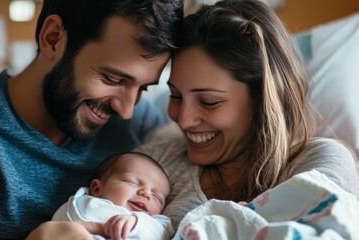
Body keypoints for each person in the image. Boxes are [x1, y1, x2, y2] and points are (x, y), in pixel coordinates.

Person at [0, 0, 183, 239]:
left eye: (143, 89)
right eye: (113, 79)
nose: (127, 110)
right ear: (53, 39)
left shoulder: (137, 123)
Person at [135, 0, 359, 231]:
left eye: (209, 102)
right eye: (175, 96)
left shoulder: (317, 164)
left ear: (261, 101)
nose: (183, 120)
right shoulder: (153, 163)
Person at [52, 151, 174, 240]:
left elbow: (161, 234)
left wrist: (137, 224)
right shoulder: (80, 203)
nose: (146, 193)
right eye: (132, 182)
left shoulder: (154, 222)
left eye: (157, 197)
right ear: (97, 188)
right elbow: (55, 227)